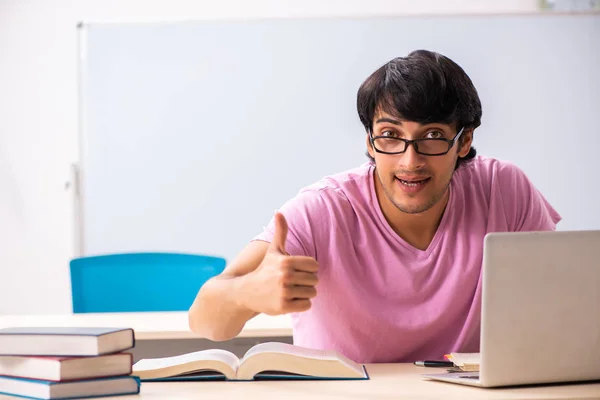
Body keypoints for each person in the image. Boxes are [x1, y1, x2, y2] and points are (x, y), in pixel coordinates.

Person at [188, 49, 561, 363]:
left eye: (432, 136)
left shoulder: (504, 190)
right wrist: (247, 292)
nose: (409, 161)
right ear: (369, 141)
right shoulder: (322, 210)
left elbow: (562, 304)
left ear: (463, 142)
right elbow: (204, 321)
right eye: (390, 136)